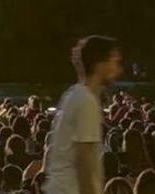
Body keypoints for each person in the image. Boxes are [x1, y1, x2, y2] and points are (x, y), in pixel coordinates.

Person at [44, 36, 123, 194]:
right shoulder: (86, 102)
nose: (118, 69)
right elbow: (83, 160)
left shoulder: (74, 95)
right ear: (100, 65)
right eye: (114, 61)